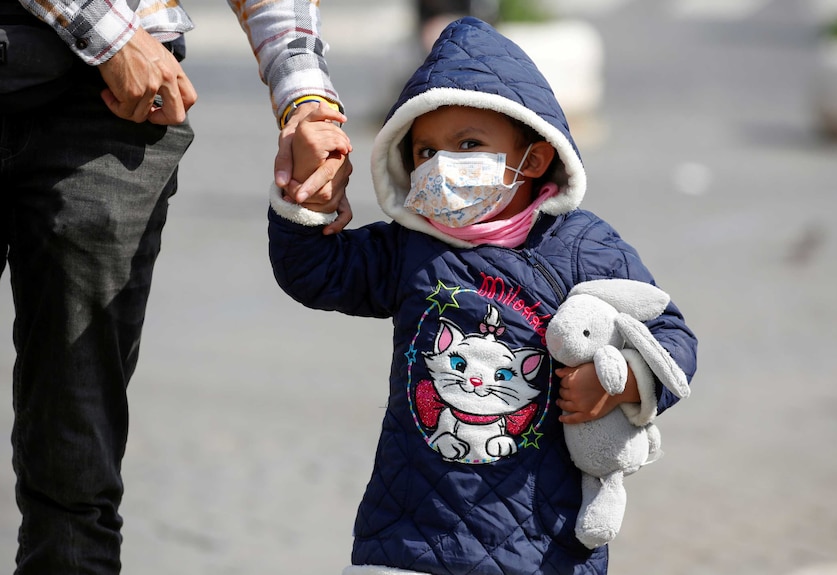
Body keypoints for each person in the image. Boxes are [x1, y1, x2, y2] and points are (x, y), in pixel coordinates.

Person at [268, 16, 698, 575]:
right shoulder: (410, 248)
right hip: (410, 532)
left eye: (469, 144)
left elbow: (672, 338)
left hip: (541, 541)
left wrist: (618, 383)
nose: (443, 164)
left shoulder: (583, 247)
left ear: (535, 158)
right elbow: (316, 273)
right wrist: (310, 199)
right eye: (425, 151)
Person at [0, 0, 347, 572]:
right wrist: (111, 35)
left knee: (76, 464)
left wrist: (307, 103)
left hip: (115, 103)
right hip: (123, 57)